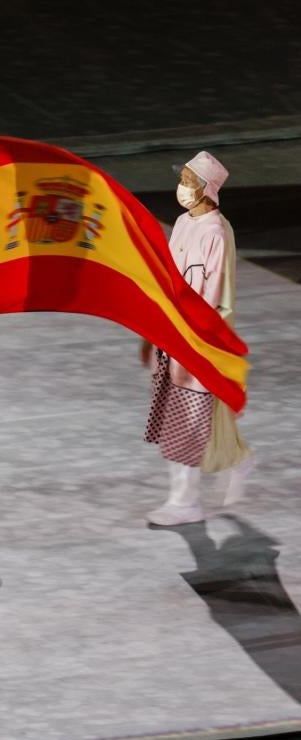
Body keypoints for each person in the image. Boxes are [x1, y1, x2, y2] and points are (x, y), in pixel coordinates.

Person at [141, 151, 255, 526]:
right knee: (179, 421)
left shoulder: (217, 233)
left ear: (207, 189)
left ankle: (185, 502)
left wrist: (195, 339)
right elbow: (168, 279)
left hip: (196, 340)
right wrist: (153, 329)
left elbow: (214, 296)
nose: (181, 188)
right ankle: (236, 461)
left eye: (188, 182)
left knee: (187, 423)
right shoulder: (183, 223)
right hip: (172, 337)